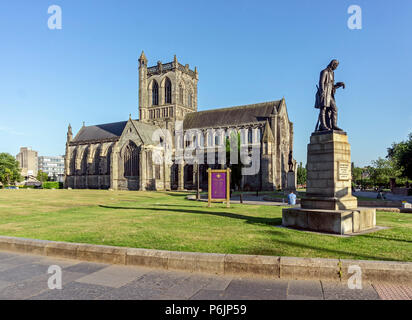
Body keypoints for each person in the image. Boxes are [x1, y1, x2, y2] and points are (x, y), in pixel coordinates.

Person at [314, 59, 345, 131]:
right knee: (323, 109)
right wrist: (322, 92)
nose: (336, 67)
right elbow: (321, 83)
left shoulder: (332, 73)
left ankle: (334, 125)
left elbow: (331, 86)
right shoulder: (324, 72)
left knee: (334, 109)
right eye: (336, 66)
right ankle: (323, 125)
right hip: (324, 93)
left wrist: (339, 85)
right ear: (333, 64)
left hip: (330, 95)